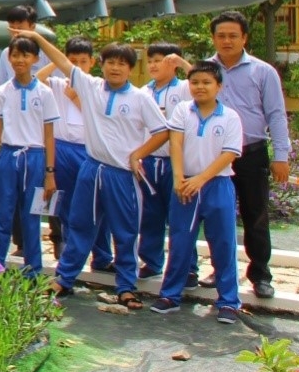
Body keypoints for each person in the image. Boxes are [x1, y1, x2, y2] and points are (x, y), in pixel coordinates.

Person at [18, 32, 167, 309]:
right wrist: (37, 37)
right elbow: (63, 62)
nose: (115, 68)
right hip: (92, 169)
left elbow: (162, 132)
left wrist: (138, 154)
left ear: (130, 69)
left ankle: (125, 286)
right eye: (111, 62)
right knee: (79, 225)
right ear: (101, 64)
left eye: (122, 64)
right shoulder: (91, 86)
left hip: (122, 174)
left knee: (125, 231)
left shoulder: (140, 98)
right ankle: (64, 278)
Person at [149, 60, 245, 323]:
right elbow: (176, 144)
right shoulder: (182, 110)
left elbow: (229, 155)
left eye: (206, 82)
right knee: (180, 241)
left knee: (223, 243)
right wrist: (180, 178)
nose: (200, 87)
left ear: (219, 86)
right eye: (194, 82)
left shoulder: (230, 117)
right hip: (184, 186)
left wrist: (200, 179)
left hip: (217, 186)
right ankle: (170, 295)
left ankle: (228, 301)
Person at [203, 11, 290, 299]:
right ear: (214, 38)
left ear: (244, 38)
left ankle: (260, 275)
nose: (226, 41)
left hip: (251, 153)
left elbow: (276, 114)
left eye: (233, 35)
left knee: (256, 215)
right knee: (218, 214)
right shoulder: (206, 70)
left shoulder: (262, 71)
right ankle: (220, 269)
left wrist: (281, 154)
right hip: (215, 156)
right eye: (221, 35)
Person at [39, 37, 114, 272]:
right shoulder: (58, 83)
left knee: (98, 205)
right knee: (68, 205)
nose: (78, 66)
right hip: (63, 149)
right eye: (73, 61)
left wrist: (75, 96)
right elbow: (36, 80)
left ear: (92, 62)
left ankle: (102, 256)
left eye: (83, 61)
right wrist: (57, 62)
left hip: (90, 150)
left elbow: (101, 117)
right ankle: (72, 255)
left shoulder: (98, 86)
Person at [0, 37, 58, 277]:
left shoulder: (45, 93)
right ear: (9, 57)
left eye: (26, 55)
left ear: (35, 59)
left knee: (32, 215)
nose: (20, 60)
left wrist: (50, 173)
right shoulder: (2, 92)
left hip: (35, 158)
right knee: (4, 214)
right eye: (16, 55)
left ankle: (33, 269)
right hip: (8, 156)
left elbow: (49, 136)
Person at [139, 42, 193, 282]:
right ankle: (151, 261)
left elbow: (203, 81)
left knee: (179, 216)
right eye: (150, 61)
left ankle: (188, 267)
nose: (153, 65)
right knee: (151, 214)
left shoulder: (183, 88)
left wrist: (183, 64)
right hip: (149, 161)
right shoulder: (143, 92)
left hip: (175, 163)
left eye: (159, 60)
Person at [0, 5, 49, 86]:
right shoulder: (6, 53)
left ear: (32, 27)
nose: (16, 33)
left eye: (20, 28)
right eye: (12, 28)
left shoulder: (47, 53)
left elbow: (60, 85)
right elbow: (0, 84)